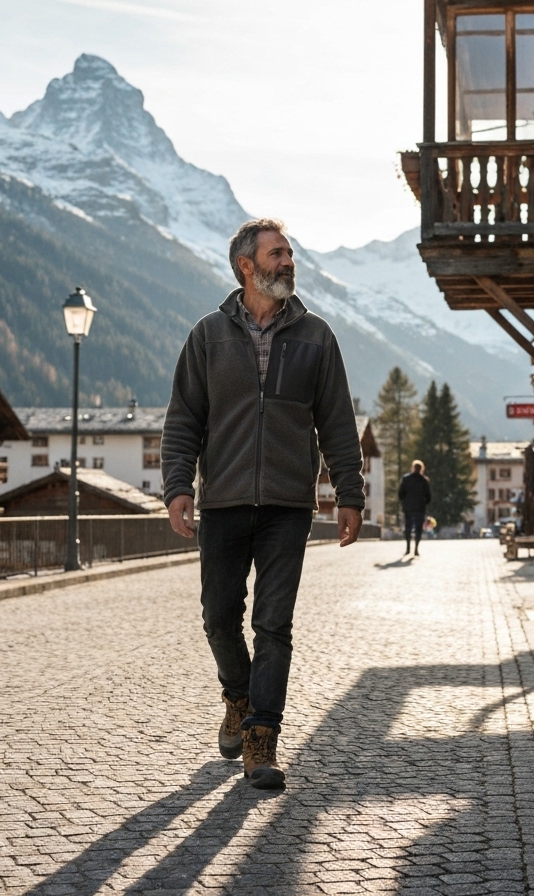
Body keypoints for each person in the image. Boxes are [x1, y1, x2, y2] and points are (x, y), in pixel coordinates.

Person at [161, 218, 365, 790]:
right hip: (223, 501)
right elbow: (183, 420)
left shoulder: (317, 336)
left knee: (273, 624)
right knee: (219, 617)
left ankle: (261, 739)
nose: (288, 262)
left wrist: (349, 493)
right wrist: (178, 487)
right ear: (246, 266)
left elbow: (337, 422)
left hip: (287, 505)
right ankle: (238, 695)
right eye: (277, 254)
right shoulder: (207, 336)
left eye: (290, 253)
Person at [398, 460, 431, 556]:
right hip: (420, 508)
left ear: (413, 468)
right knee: (418, 529)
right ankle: (416, 549)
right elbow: (428, 497)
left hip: (408, 508)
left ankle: (408, 548)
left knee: (408, 528)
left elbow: (400, 494)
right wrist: (424, 503)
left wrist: (405, 503)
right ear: (422, 469)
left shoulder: (406, 479)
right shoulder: (424, 480)